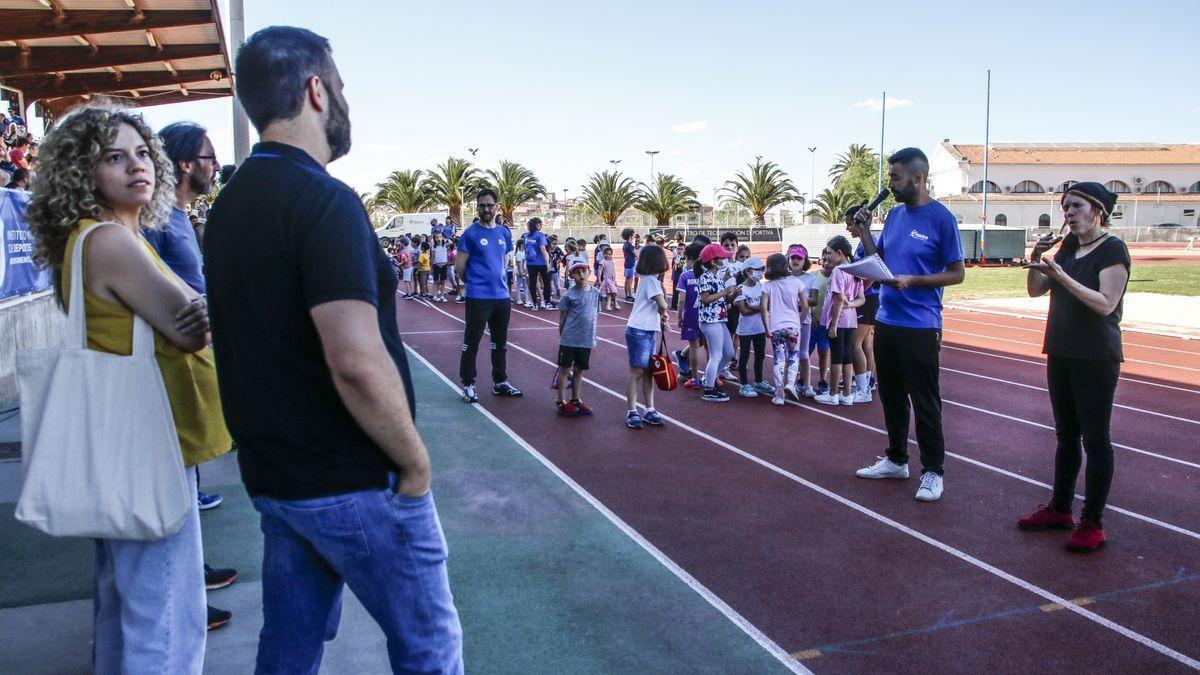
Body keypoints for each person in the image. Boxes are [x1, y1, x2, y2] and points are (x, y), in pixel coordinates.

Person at [202, 27, 462, 672]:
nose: (344, 101)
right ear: (316, 90)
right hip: (351, 479)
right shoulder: (325, 199)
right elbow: (354, 359)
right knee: (430, 647)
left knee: (289, 650)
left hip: (276, 479)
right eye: (340, 87)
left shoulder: (229, 204)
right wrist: (414, 462)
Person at [27, 103, 230, 673]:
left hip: (122, 440)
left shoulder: (94, 238)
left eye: (142, 153)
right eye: (114, 157)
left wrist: (198, 313)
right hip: (148, 443)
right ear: (82, 172)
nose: (137, 166)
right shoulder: (113, 242)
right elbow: (191, 328)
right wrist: (207, 309)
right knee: (166, 615)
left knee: (126, 606)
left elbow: (190, 318)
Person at [143, 119, 236, 629]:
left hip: (192, 363)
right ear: (184, 164)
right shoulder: (158, 222)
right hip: (171, 371)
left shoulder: (181, 218)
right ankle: (182, 597)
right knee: (174, 489)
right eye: (208, 156)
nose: (214, 165)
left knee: (186, 483)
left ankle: (192, 576)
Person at [1018, 182, 1129, 552]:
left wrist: (1064, 277)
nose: (1068, 212)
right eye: (1066, 206)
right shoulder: (1065, 247)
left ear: (1097, 210)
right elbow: (1036, 289)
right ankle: (1061, 508)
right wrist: (1038, 257)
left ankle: (1092, 522)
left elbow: (1106, 303)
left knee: (1096, 440)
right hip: (1061, 351)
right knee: (1066, 436)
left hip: (1096, 357)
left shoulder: (1113, 249)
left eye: (1076, 205)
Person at [849, 147, 965, 502]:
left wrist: (912, 280)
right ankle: (897, 458)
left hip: (921, 325)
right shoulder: (896, 216)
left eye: (896, 178)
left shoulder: (942, 219)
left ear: (918, 178)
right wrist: (865, 231)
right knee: (892, 396)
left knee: (926, 401)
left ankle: (933, 471)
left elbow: (957, 273)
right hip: (887, 319)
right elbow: (878, 259)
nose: (891, 185)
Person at [456, 188, 522, 402]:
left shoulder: (504, 233)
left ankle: (500, 381)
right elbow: (459, 268)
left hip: (501, 297)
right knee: (472, 342)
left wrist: (498, 281)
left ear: (496, 207)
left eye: (489, 205)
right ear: (477, 207)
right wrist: (475, 283)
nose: (486, 209)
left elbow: (503, 262)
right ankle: (468, 384)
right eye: (482, 205)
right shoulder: (470, 234)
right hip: (478, 297)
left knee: (500, 343)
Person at [624, 244, 670, 428]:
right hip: (639, 330)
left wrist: (661, 314)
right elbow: (662, 303)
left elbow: (657, 306)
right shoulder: (651, 281)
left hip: (646, 329)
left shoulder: (647, 280)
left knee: (648, 371)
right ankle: (633, 410)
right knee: (637, 372)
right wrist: (663, 309)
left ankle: (648, 409)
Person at [815, 236, 865, 406]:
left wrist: (833, 324)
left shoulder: (838, 271)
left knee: (836, 355)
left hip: (838, 320)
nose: (827, 257)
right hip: (851, 320)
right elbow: (861, 299)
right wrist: (850, 305)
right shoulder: (853, 270)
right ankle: (847, 394)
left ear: (839, 253)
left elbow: (838, 298)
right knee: (846, 356)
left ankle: (834, 393)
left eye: (829, 253)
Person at [761, 252, 810, 406]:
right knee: (794, 355)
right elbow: (805, 305)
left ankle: (779, 393)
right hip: (793, 325)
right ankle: (790, 382)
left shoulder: (767, 286)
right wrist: (800, 322)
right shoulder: (796, 283)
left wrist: (767, 328)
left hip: (776, 327)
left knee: (779, 359)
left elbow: (763, 307)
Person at [696, 243, 739, 402]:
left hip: (719, 319)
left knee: (728, 353)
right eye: (722, 258)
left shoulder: (717, 277)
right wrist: (724, 291)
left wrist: (733, 296)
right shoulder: (705, 277)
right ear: (714, 261)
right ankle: (709, 389)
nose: (725, 260)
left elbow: (724, 300)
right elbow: (705, 299)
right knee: (716, 355)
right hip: (710, 320)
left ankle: (710, 380)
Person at [556, 261, 600, 416]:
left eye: (584, 271)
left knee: (579, 370)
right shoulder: (569, 295)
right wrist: (562, 337)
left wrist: (592, 335)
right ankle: (561, 400)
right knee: (565, 369)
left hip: (586, 339)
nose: (581, 274)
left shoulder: (595, 293)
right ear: (571, 275)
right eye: (577, 272)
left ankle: (576, 399)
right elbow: (562, 319)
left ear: (589, 272)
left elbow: (594, 315)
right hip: (569, 339)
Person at [849, 207, 880, 403]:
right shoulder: (863, 244)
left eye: (849, 224)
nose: (847, 228)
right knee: (867, 343)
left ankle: (862, 388)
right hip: (872, 298)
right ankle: (868, 381)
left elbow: (870, 273)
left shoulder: (867, 245)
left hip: (867, 298)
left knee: (855, 344)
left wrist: (856, 291)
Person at [734, 257, 771, 398]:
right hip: (746, 329)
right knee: (744, 356)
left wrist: (754, 306)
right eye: (759, 270)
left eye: (762, 270)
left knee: (760, 355)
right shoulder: (741, 289)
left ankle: (759, 381)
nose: (761, 273)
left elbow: (766, 305)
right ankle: (744, 384)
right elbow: (744, 311)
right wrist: (760, 307)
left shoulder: (761, 286)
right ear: (748, 271)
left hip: (760, 327)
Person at [674, 242, 705, 390]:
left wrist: (679, 316)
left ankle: (695, 378)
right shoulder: (707, 275)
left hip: (691, 315)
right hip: (706, 315)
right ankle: (712, 377)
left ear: (692, 259)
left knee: (693, 346)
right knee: (708, 345)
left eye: (686, 258)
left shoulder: (685, 276)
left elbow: (681, 299)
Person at [788, 244, 817, 397]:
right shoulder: (785, 278)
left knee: (804, 354)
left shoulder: (811, 278)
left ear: (805, 260)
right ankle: (788, 383)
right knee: (788, 354)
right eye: (793, 257)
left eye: (799, 258)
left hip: (804, 320)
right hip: (787, 321)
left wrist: (799, 301)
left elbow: (814, 300)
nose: (796, 261)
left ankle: (807, 385)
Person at [524, 217, 552, 309]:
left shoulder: (526, 235)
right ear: (537, 225)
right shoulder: (540, 235)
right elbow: (543, 248)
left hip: (530, 263)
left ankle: (535, 303)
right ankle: (547, 302)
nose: (542, 226)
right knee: (546, 282)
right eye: (541, 224)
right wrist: (547, 262)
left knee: (532, 283)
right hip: (541, 262)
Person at [597, 244, 619, 311]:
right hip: (607, 280)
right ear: (603, 254)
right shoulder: (602, 262)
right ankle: (615, 303)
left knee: (610, 293)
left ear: (611, 255)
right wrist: (599, 280)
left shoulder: (612, 262)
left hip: (612, 280)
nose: (607, 255)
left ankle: (609, 305)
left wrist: (615, 280)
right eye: (606, 254)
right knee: (613, 292)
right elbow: (600, 271)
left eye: (609, 254)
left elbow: (613, 271)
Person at [430, 230, 450, 302]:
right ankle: (435, 296)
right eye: (436, 237)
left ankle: (442, 296)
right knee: (436, 282)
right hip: (436, 265)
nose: (438, 238)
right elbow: (432, 258)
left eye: (440, 237)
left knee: (443, 282)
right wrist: (431, 268)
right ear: (434, 239)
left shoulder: (444, 245)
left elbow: (451, 242)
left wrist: (445, 238)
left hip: (444, 265)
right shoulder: (434, 247)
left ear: (442, 238)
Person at [621, 227, 637, 302]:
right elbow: (635, 254)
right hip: (630, 264)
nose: (633, 237)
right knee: (630, 281)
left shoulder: (625, 244)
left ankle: (627, 295)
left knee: (627, 280)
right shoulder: (630, 245)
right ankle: (630, 295)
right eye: (633, 235)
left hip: (627, 263)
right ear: (630, 236)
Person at [547, 234, 564, 301]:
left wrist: (558, 262)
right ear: (549, 244)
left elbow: (562, 256)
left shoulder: (557, 250)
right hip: (547, 269)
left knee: (556, 283)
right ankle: (548, 295)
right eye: (553, 244)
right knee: (548, 282)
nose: (555, 246)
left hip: (554, 269)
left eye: (556, 244)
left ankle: (560, 296)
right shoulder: (546, 249)